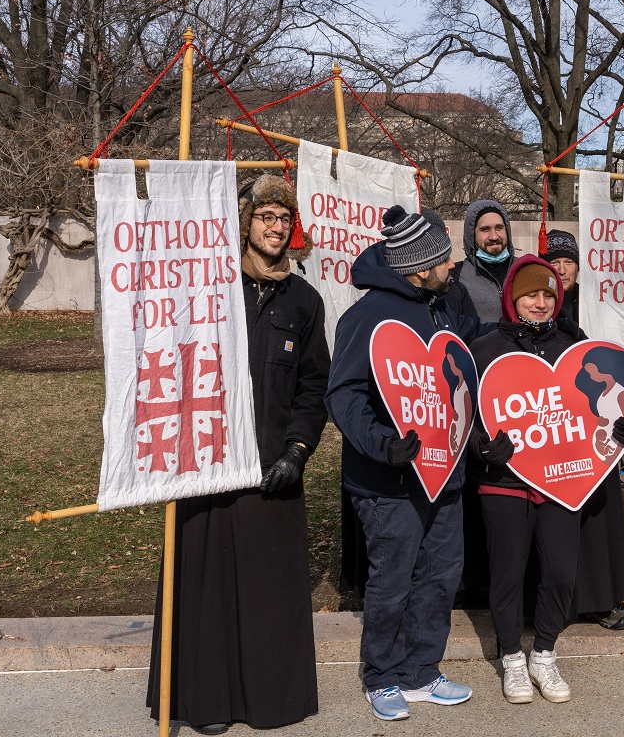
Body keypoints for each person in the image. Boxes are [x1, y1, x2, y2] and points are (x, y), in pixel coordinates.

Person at [146, 174, 330, 735]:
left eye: (284, 218)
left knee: (267, 591)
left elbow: (313, 386)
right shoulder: (209, 284)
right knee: (205, 587)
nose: (277, 228)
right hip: (206, 459)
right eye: (266, 217)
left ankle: (270, 699)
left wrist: (297, 452)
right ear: (245, 222)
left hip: (272, 467)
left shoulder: (304, 299)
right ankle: (206, 702)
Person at [326, 205, 485, 721]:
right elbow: (344, 393)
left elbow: (474, 358)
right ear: (419, 267)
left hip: (445, 475)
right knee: (391, 579)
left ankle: (421, 670)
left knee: (441, 574)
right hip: (388, 478)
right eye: (442, 258)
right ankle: (381, 675)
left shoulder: (441, 307)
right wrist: (381, 443)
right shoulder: (367, 315)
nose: (452, 264)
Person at [469, 256, 624, 704]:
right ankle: (511, 657)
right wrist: (480, 446)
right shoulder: (485, 347)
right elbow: (465, 414)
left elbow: (596, 409)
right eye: (531, 293)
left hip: (561, 481)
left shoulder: (574, 343)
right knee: (507, 575)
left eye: (549, 294)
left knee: (562, 572)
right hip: (503, 481)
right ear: (512, 297)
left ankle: (544, 652)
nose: (540, 302)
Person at [543, 230, 624, 631]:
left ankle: (601, 597)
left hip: (594, 424)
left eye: (568, 262)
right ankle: (559, 602)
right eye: (555, 262)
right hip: (555, 426)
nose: (562, 269)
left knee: (598, 512)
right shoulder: (535, 307)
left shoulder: (595, 305)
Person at [455, 199, 516, 321]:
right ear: (472, 235)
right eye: (485, 229)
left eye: (499, 228)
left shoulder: (525, 269)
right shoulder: (456, 275)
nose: (494, 236)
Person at [544, 228, 580, 323]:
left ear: (577, 267)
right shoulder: (536, 304)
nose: (562, 271)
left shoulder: (592, 300)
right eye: (554, 263)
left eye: (568, 262)